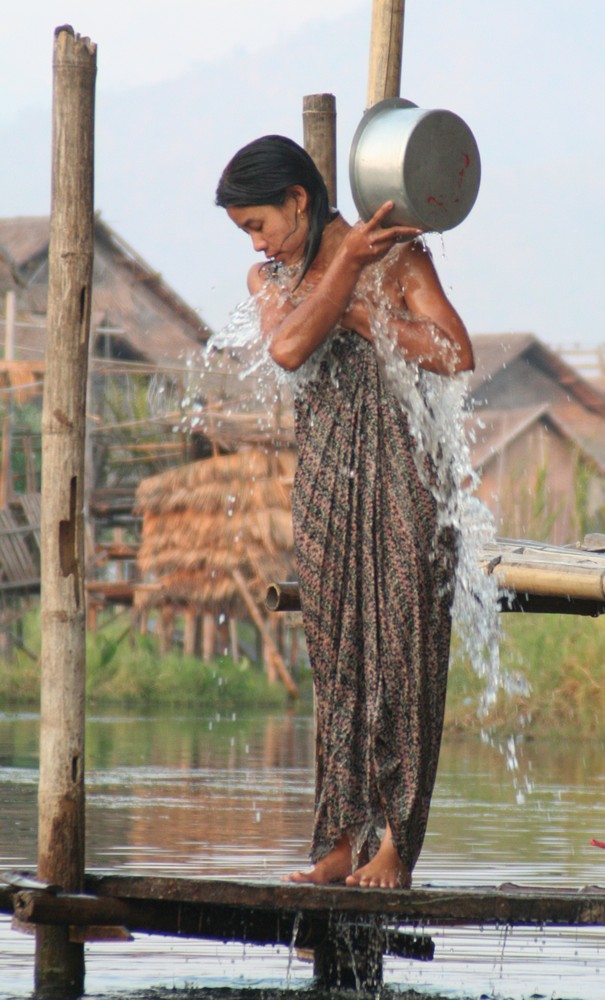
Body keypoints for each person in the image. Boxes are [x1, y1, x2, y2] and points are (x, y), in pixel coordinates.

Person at [216, 134, 474, 889]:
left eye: (259, 223)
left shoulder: (399, 256)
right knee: (336, 665)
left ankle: (393, 847)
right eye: (245, 233)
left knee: (403, 653)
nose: (256, 242)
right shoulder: (273, 278)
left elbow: (454, 352)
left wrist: (366, 312)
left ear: (298, 200)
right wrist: (346, 271)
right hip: (328, 478)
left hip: (404, 472)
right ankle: (337, 840)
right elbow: (290, 348)